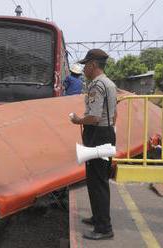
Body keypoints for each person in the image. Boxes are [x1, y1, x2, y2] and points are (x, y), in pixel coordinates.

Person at [70, 49, 117, 240]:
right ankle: (98, 217)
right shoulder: (110, 83)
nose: (83, 69)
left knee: (97, 182)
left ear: (93, 65)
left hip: (98, 134)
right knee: (97, 180)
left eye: (85, 65)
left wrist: (77, 120)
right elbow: (114, 114)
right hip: (106, 132)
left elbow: (94, 117)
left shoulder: (97, 85)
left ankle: (104, 228)